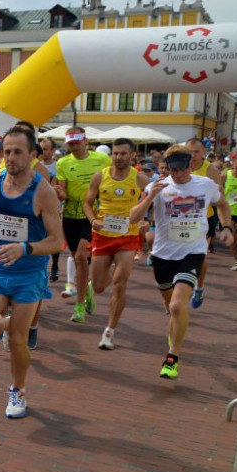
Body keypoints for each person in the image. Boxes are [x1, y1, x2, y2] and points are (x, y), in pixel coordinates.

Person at [0, 126, 63, 419]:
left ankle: (17, 390)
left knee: (20, 340)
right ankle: (6, 321)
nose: (10, 157)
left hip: (28, 273)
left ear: (33, 156)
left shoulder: (42, 192)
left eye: (18, 151)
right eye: (6, 151)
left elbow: (57, 241)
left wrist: (26, 248)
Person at [129, 145, 234, 379]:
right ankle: (175, 336)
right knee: (171, 309)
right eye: (172, 170)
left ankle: (172, 358)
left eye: (180, 169)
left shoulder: (205, 185)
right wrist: (150, 197)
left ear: (190, 165)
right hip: (163, 255)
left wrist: (226, 227)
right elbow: (133, 218)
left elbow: (223, 204)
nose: (176, 174)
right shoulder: (157, 186)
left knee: (178, 306)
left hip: (193, 252)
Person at [81, 138, 149, 349]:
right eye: (116, 153)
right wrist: (93, 220)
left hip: (128, 236)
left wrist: (147, 220)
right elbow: (87, 203)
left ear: (132, 155)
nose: (119, 157)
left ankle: (109, 332)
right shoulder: (100, 176)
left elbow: (156, 198)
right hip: (102, 236)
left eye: (123, 153)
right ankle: (94, 286)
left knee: (120, 284)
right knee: (100, 286)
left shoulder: (140, 179)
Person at [54, 126, 111, 322]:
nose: (74, 146)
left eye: (77, 141)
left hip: (92, 213)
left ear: (85, 140)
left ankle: (79, 307)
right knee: (76, 258)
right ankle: (85, 289)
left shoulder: (102, 159)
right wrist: (59, 194)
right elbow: (63, 192)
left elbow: (111, 181)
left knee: (80, 255)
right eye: (70, 143)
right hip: (70, 215)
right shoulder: (63, 162)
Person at [185, 137, 223, 308]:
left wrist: (202, 197)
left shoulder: (211, 170)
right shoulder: (179, 166)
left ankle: (199, 287)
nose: (192, 155)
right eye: (189, 151)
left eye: (197, 152)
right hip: (180, 217)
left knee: (200, 257)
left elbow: (219, 198)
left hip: (204, 218)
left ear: (203, 153)